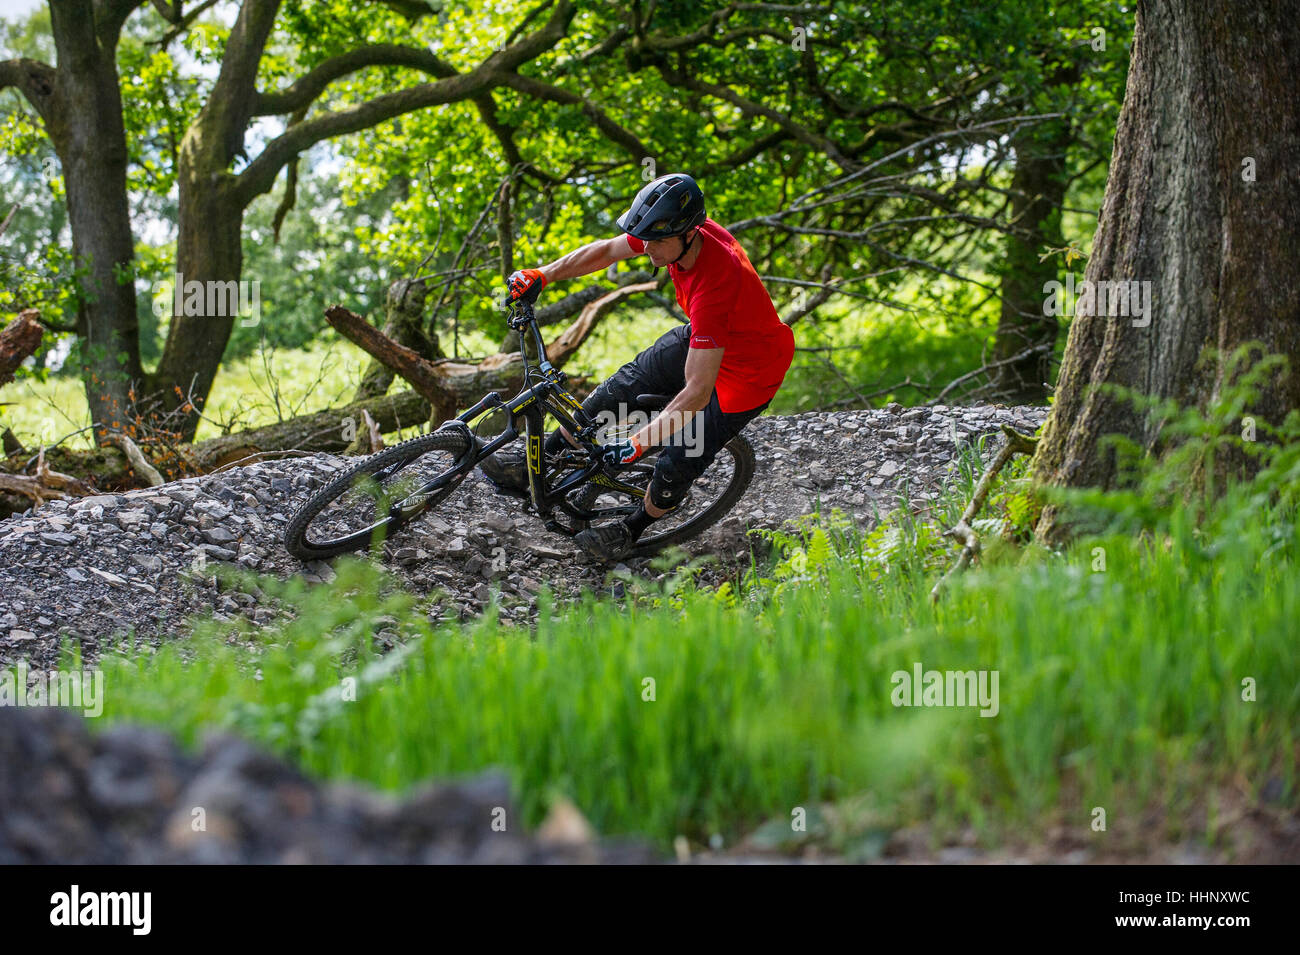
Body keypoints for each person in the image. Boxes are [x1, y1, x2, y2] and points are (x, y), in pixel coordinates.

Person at [479, 173, 795, 561]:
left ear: (689, 234)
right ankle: (540, 460)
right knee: (620, 390)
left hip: (750, 373)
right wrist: (543, 274)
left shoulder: (715, 284)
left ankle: (632, 528)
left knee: (680, 455)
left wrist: (635, 444)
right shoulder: (673, 233)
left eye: (656, 241)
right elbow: (608, 251)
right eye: (644, 238)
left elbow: (697, 392)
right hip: (710, 338)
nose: (647, 248)